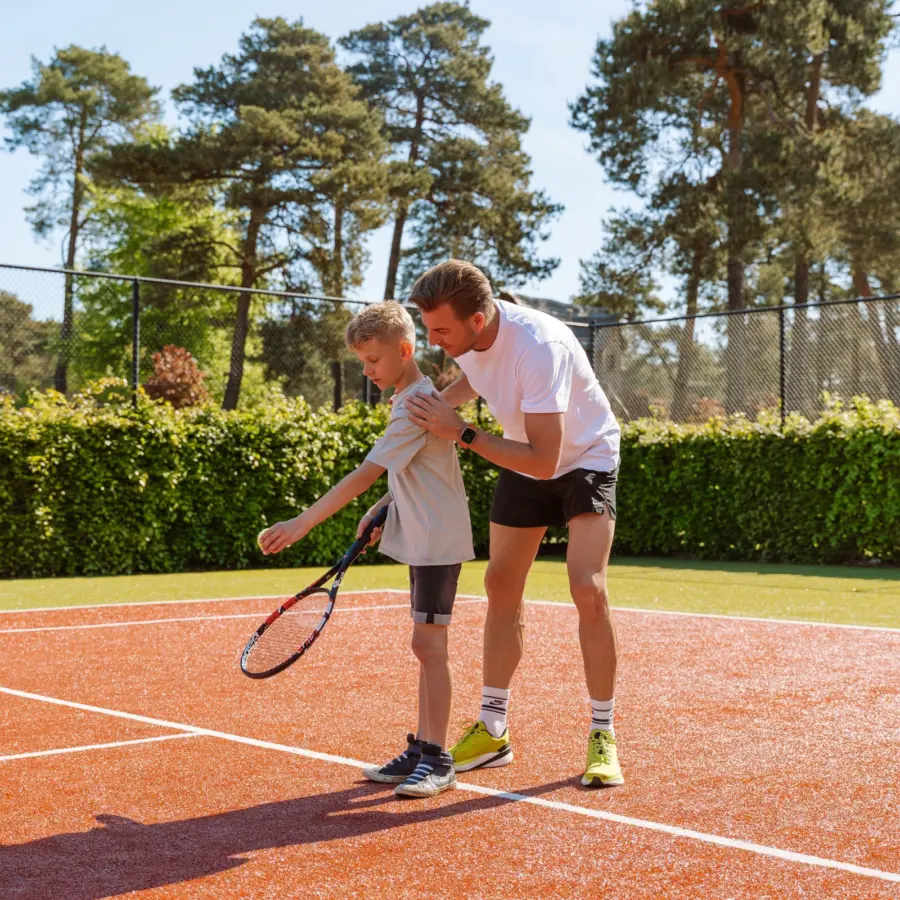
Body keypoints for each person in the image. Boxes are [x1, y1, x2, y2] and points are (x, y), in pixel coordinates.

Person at [404, 260, 624, 787]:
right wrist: (420, 409)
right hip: (524, 454)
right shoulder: (472, 341)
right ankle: (493, 728)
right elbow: (470, 382)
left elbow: (546, 462)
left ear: (478, 320)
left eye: (441, 330)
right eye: (428, 329)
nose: (434, 342)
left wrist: (461, 434)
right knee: (501, 584)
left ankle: (602, 731)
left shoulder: (538, 348)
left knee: (586, 588)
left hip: (583, 459)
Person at [258, 301, 474, 798]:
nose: (367, 370)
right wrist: (385, 507)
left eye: (374, 360)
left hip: (438, 540)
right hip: (422, 536)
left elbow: (364, 474)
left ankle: (439, 759)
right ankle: (423, 747)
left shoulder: (417, 403)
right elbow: (407, 472)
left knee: (429, 646)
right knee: (424, 646)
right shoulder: (409, 401)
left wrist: (302, 523)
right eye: (362, 361)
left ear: (404, 350)